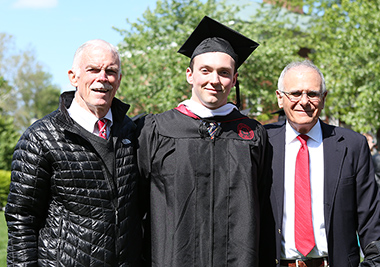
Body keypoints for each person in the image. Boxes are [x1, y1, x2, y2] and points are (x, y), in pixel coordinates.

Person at [136, 16, 268, 266]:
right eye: (205, 70)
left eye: (224, 73)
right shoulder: (156, 130)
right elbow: (137, 207)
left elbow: (263, 207)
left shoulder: (252, 135)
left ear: (235, 79)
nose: (214, 80)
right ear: (190, 74)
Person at [5, 39, 144, 265]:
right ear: (73, 76)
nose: (102, 78)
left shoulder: (133, 132)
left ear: (119, 79)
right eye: (93, 69)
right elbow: (22, 218)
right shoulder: (41, 137)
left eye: (111, 71)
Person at [261, 60, 380, 267]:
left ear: (323, 98)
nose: (304, 101)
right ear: (279, 98)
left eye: (312, 94)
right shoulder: (261, 144)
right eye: (295, 93)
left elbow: (371, 221)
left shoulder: (352, 145)